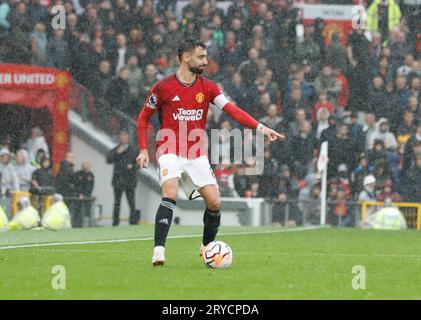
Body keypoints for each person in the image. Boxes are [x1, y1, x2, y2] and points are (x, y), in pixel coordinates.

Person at [136, 39, 283, 266]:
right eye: (201, 57)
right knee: (171, 193)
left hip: (196, 153)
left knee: (214, 203)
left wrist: (260, 127)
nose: (205, 61)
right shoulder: (163, 87)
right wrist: (144, 149)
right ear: (186, 58)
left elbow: (232, 110)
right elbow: (143, 117)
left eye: (205, 57)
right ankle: (158, 250)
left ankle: (206, 248)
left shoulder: (208, 87)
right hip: (169, 148)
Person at [106, 129, 138, 226]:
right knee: (117, 202)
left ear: (128, 137)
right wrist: (117, 153)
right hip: (118, 180)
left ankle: (133, 222)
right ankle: (115, 222)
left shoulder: (134, 150)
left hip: (129, 180)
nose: (123, 137)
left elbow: (140, 164)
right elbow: (108, 160)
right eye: (121, 135)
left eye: (124, 135)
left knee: (131, 202)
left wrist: (132, 166)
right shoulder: (116, 149)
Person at [74, 161, 95, 227]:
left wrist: (86, 195)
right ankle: (77, 225)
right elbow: (76, 185)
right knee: (78, 212)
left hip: (87, 198)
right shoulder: (78, 174)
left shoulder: (91, 175)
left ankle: (87, 226)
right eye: (86, 165)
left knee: (87, 213)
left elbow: (90, 187)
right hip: (78, 197)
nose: (87, 166)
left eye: (88, 165)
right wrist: (79, 194)